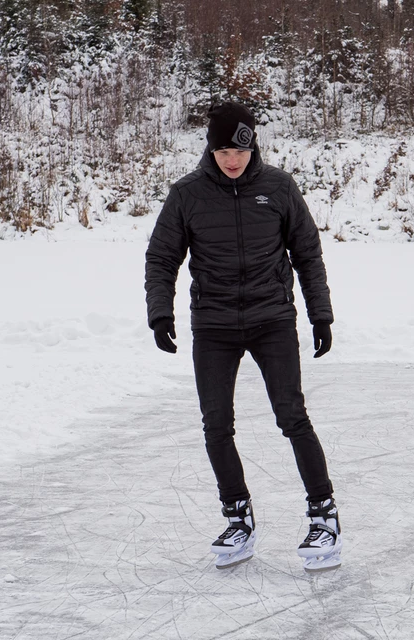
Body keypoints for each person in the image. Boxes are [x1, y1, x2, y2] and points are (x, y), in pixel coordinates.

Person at [145, 101, 341, 572]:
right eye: (222, 150)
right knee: (216, 425)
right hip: (213, 325)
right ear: (209, 148)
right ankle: (238, 517)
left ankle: (324, 516)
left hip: (271, 318)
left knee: (292, 416)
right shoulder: (187, 194)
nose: (231, 159)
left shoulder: (278, 187)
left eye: (239, 149)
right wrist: (160, 313)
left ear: (253, 145)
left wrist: (320, 314)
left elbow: (307, 254)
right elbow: (161, 256)